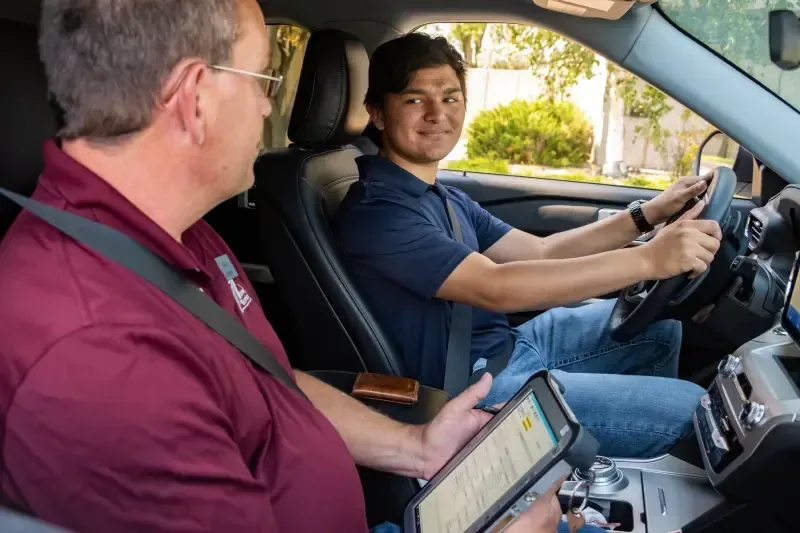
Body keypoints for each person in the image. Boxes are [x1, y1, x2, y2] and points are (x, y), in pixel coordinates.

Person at [0, 1, 605, 533]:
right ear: (195, 98)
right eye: (263, 78)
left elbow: (267, 379)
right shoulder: (98, 356)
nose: (269, 104)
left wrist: (416, 446)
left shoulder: (183, 233)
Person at [334, 33, 723, 459]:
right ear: (377, 113)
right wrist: (649, 259)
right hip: (472, 390)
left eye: (450, 98)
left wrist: (646, 214)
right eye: (415, 99)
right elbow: (496, 287)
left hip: (509, 346)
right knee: (695, 412)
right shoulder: (379, 213)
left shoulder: (440, 195)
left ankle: (612, 460)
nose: (437, 114)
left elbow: (542, 252)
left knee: (661, 329)